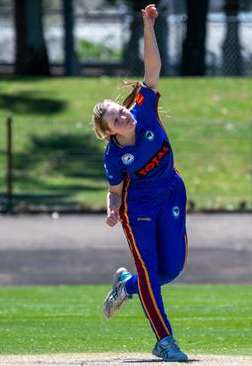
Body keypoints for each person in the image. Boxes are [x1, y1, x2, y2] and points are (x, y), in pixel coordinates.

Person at [91, 4, 189, 363]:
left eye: (120, 110)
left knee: (171, 270)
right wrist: (111, 211)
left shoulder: (144, 108)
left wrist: (148, 25)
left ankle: (126, 286)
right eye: (116, 119)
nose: (123, 114)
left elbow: (152, 68)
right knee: (151, 271)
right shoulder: (114, 157)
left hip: (172, 193)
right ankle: (165, 341)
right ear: (110, 133)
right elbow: (115, 193)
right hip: (140, 211)